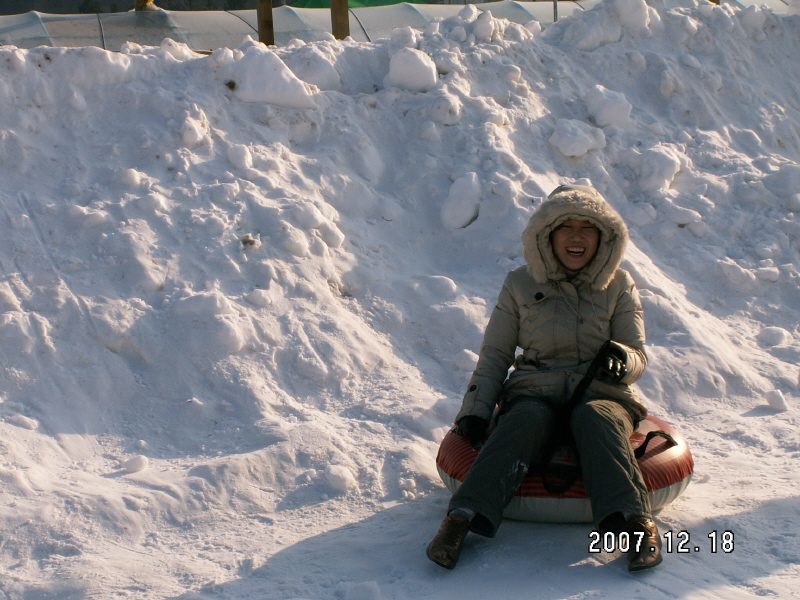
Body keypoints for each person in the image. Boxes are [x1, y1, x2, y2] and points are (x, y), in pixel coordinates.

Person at [426, 184, 662, 572]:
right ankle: (459, 521)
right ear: (546, 235)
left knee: (597, 418)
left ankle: (637, 525)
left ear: (603, 236)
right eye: (564, 226)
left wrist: (624, 360)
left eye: (587, 227)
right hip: (535, 391)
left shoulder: (619, 284)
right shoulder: (520, 284)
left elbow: (637, 352)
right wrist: (476, 409)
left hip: (601, 393)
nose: (576, 237)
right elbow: (496, 354)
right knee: (524, 419)